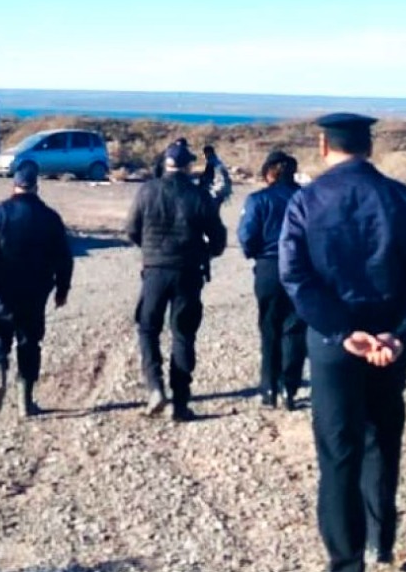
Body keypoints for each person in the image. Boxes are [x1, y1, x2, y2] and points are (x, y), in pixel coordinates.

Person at [279, 112, 406, 572]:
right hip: (391, 345)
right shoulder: (401, 199)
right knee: (382, 436)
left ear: (325, 145)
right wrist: (398, 333)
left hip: (334, 346)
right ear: (367, 146)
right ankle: (380, 541)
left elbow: (297, 277)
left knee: (337, 450)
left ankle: (347, 569)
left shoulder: (306, 201)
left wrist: (343, 331)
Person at [126, 139, 227, 421]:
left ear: (166, 164)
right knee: (183, 334)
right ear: (188, 166)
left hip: (155, 270)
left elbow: (131, 229)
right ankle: (180, 403)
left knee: (148, 329)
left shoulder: (147, 191)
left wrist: (149, 249)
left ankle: (155, 387)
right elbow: (218, 239)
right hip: (188, 271)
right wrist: (205, 252)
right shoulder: (199, 197)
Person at [0, 160, 73, 418]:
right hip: (37, 291)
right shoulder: (51, 218)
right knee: (30, 342)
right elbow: (64, 258)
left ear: (14, 184)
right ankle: (25, 401)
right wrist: (62, 289)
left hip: (4, 289)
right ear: (36, 186)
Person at [238, 150, 306, 410]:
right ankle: (290, 387)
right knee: (295, 328)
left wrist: (254, 254)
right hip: (301, 268)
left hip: (269, 267)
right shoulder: (307, 198)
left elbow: (247, 235)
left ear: (269, 173)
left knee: (269, 327)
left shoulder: (258, 199)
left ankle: (269, 388)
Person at [199, 143, 234, 210]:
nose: (204, 156)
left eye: (204, 154)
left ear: (208, 153)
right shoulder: (218, 161)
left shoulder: (212, 163)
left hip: (216, 190)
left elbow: (208, 177)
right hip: (222, 190)